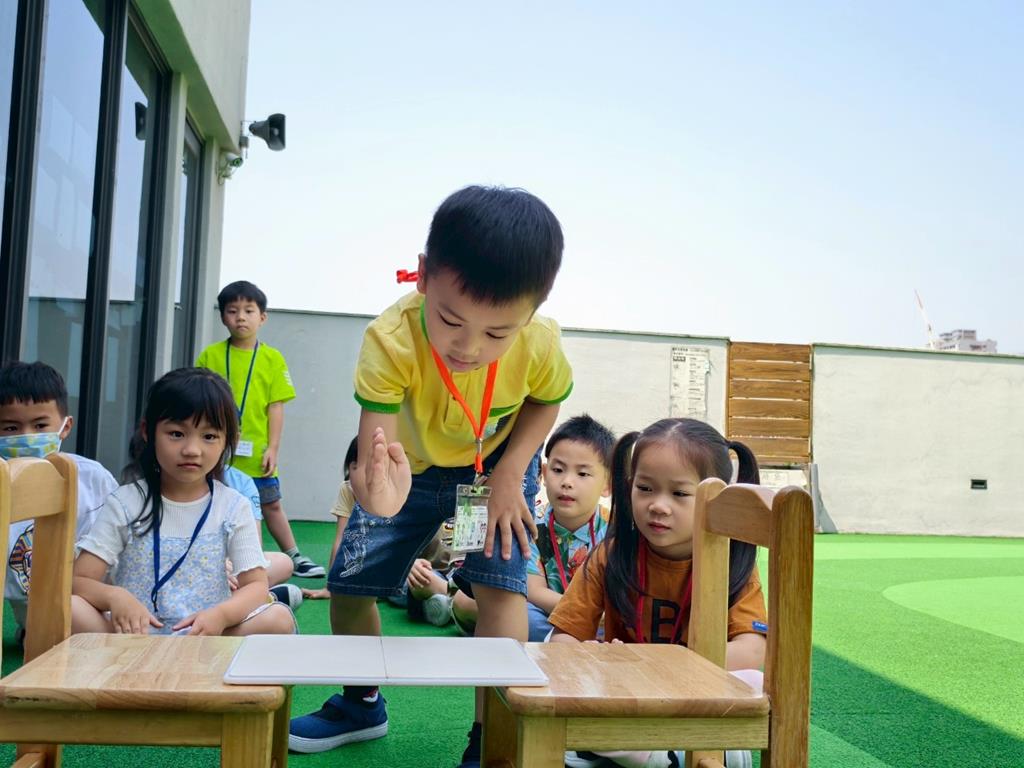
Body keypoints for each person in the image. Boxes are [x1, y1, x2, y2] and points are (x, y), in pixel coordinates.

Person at [288, 185, 572, 768]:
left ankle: (493, 734)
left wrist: (510, 472)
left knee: (501, 589)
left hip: (493, 470)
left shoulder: (541, 341)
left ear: (533, 311)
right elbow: (377, 449)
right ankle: (362, 703)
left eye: (498, 334)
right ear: (421, 276)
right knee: (350, 584)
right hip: (407, 469)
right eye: (450, 320)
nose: (469, 347)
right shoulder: (390, 340)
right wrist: (378, 495)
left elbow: (546, 401)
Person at [549, 418, 767, 768]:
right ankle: (665, 756)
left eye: (679, 493)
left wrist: (662, 666)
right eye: (645, 488)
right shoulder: (612, 554)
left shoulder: (732, 563)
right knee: (568, 693)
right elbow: (563, 638)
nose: (658, 505)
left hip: (696, 694)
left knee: (754, 682)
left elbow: (751, 651)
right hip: (626, 698)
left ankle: (662, 752)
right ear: (628, 487)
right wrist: (593, 659)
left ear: (718, 500)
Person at [70, 367, 295, 637]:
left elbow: (256, 587)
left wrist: (221, 615)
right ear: (148, 432)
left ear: (228, 440)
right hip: (132, 638)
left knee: (279, 619)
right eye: (176, 434)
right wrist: (114, 597)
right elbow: (78, 579)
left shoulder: (233, 506)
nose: (191, 450)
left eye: (209, 436)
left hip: (205, 637)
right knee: (71, 608)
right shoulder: (126, 502)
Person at [196, 280, 324, 578]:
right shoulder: (210, 356)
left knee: (271, 504)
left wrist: (273, 448)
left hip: (258, 452)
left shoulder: (272, 359)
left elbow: (275, 407)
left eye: (249, 310)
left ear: (262, 317)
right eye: (232, 311)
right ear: (222, 317)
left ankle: (293, 555)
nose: (240, 317)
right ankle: (220, 557)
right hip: (218, 451)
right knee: (212, 503)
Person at [0, 361, 118, 636]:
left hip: (97, 604)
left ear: (65, 427)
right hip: (34, 614)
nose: (27, 437)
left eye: (40, 425)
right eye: (11, 428)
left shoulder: (92, 479)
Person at [525, 414, 614, 641]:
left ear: (608, 484)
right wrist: (579, 616)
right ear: (544, 473)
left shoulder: (615, 531)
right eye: (558, 470)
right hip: (548, 614)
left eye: (582, 473)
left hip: (600, 619)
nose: (567, 482)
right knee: (523, 616)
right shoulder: (531, 524)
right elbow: (534, 591)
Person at [301, 437, 358, 601]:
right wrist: (330, 587)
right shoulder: (348, 489)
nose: (360, 476)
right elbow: (341, 539)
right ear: (348, 468)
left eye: (368, 469)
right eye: (355, 468)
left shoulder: (392, 491)